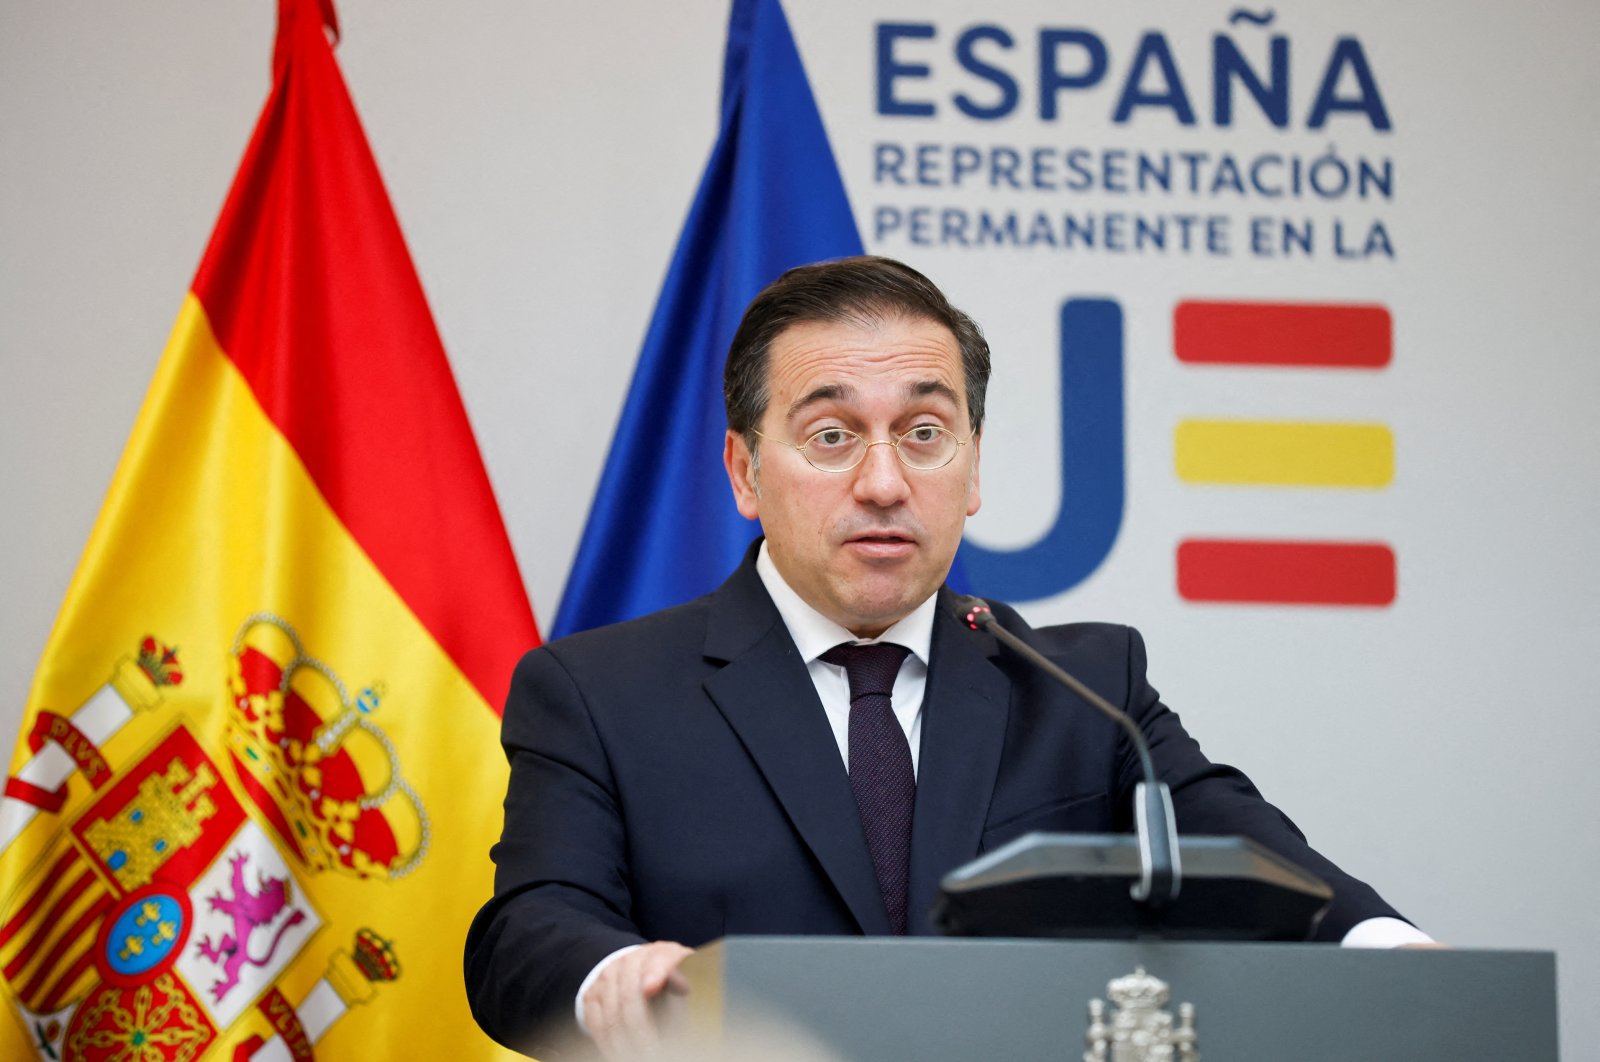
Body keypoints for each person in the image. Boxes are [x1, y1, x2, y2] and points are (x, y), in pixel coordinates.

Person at [463, 256, 1430, 1058]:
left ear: (973, 468)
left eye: (925, 434)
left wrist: (1385, 945)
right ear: (745, 472)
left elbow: (1243, 845)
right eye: (832, 436)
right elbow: (529, 928)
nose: (884, 483)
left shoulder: (1084, 691)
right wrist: (614, 984)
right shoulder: (599, 693)